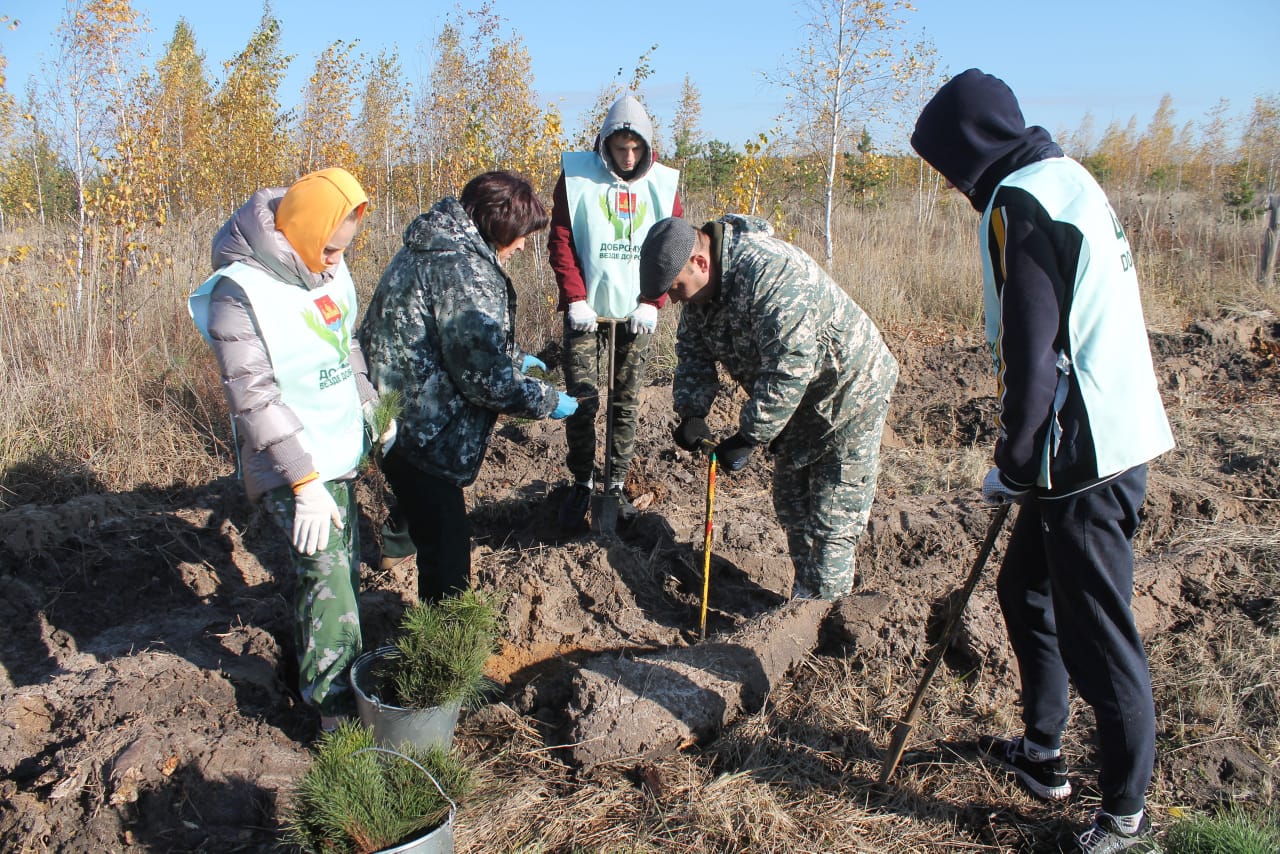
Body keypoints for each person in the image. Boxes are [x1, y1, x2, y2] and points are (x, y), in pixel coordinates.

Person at [911, 68, 1175, 854]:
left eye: (947, 166)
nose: (953, 184)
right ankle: (1041, 752)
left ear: (969, 148)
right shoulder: (1066, 178)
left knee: (1100, 633)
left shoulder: (1017, 201)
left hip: (1084, 453)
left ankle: (1124, 813)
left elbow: (1033, 357)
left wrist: (1015, 462)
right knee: (1025, 588)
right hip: (1106, 433)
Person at [189, 167, 391, 731]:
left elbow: (342, 342)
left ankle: (338, 683)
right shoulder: (241, 292)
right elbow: (252, 398)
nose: (334, 260)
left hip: (337, 448)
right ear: (302, 229)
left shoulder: (322, 263)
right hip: (288, 462)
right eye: (328, 248)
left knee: (341, 575)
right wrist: (303, 482)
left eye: (341, 250)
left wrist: (369, 402)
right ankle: (334, 719)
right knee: (327, 576)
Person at [638, 215, 898, 601]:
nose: (674, 300)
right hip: (798, 407)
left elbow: (790, 366)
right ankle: (806, 596)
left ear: (701, 263)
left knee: (830, 520)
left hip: (849, 395)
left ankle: (824, 625)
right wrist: (692, 413)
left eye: (675, 288)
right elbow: (693, 352)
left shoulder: (770, 273)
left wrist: (749, 435)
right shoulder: (701, 292)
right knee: (793, 506)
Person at [359, 170, 577, 602]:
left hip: (392, 412)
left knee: (419, 500)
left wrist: (516, 358)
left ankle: (396, 542)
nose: (520, 246)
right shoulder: (466, 271)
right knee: (448, 552)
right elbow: (487, 382)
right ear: (499, 226)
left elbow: (454, 335)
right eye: (520, 236)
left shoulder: (434, 244)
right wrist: (547, 400)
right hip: (420, 424)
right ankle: (445, 654)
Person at [548, 94, 682, 530]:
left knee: (625, 400)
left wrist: (653, 300)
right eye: (620, 147)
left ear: (646, 147)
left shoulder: (662, 185)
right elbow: (562, 239)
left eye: (635, 149)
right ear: (605, 142)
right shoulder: (577, 177)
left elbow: (674, 245)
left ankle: (617, 483)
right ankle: (582, 482)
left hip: (636, 313)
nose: (627, 157)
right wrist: (574, 297)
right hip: (585, 310)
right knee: (582, 399)